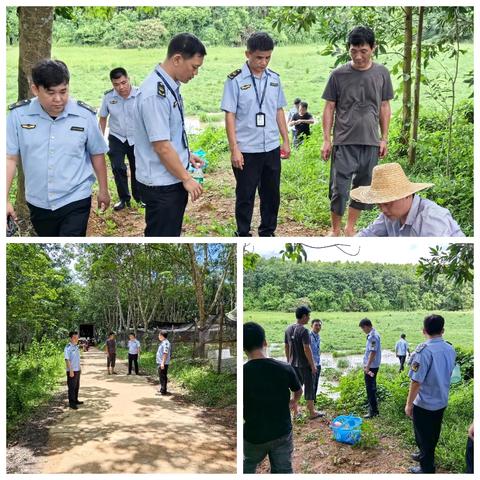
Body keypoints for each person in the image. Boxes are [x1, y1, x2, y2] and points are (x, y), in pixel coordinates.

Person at [7, 59, 110, 236]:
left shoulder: (84, 115)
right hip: (38, 201)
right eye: (51, 93)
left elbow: (97, 153)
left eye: (63, 91)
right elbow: (9, 158)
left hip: (75, 197)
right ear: (35, 89)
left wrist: (103, 190)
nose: (58, 99)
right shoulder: (18, 116)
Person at [321, 26, 394, 236]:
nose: (359, 56)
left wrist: (384, 138)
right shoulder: (338, 75)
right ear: (349, 49)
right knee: (339, 189)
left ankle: (350, 227)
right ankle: (335, 229)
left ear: (373, 48)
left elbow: (384, 106)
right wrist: (327, 139)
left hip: (371, 141)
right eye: (354, 51)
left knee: (363, 188)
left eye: (363, 51)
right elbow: (329, 107)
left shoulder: (381, 73)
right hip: (344, 140)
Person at [134, 33, 206, 236]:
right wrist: (186, 178)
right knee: (162, 236)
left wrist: (185, 155)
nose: (195, 73)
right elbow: (161, 146)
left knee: (170, 232)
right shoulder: (155, 94)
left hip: (169, 177)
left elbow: (170, 134)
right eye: (194, 67)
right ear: (177, 59)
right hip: (162, 184)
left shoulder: (168, 86)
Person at [221, 31, 291, 237]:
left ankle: (267, 231)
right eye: (259, 57)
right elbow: (230, 115)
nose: (264, 62)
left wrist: (285, 140)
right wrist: (234, 149)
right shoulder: (234, 81)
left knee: (271, 195)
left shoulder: (275, 80)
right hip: (247, 149)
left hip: (270, 146)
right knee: (245, 194)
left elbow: (279, 110)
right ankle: (242, 233)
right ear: (248, 54)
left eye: (268, 57)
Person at [244, 322, 302, 474]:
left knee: (248, 465)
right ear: (265, 342)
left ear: (244, 348)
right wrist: (293, 402)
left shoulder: (243, 373)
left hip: (253, 436)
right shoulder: (284, 368)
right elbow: (298, 390)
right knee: (283, 470)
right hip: (281, 432)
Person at [351, 162, 465, 237]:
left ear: (406, 195)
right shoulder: (389, 215)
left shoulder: (430, 219)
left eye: (387, 203)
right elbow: (368, 234)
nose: (383, 210)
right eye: (379, 205)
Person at [405, 314, 456, 473]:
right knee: (433, 432)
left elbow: (416, 381)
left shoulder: (423, 351)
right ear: (443, 330)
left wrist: (408, 405)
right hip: (441, 400)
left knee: (423, 436)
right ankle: (423, 454)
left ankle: (426, 468)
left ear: (424, 330)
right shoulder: (450, 348)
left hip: (425, 403)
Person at [99, 67, 143, 210]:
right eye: (116, 84)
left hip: (136, 137)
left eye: (123, 82)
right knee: (118, 167)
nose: (121, 87)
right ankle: (124, 199)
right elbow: (103, 118)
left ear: (128, 79)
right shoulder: (108, 97)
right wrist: (101, 138)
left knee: (137, 167)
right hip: (116, 137)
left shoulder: (140, 95)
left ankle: (139, 197)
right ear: (112, 84)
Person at [284, 306, 322, 419]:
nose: (309, 318)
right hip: (305, 365)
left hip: (292, 364)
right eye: (308, 316)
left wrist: (288, 360)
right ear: (304, 316)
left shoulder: (288, 329)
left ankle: (295, 412)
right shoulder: (304, 330)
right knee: (309, 387)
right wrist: (313, 365)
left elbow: (286, 346)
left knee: (296, 387)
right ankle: (311, 412)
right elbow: (306, 348)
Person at [359, 318, 381, 418]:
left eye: (363, 329)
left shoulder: (373, 336)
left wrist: (367, 367)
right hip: (371, 365)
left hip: (371, 366)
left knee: (370, 388)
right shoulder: (373, 334)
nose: (363, 331)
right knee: (371, 386)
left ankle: (373, 411)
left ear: (367, 326)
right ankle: (372, 408)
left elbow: (372, 352)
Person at [64, 331, 83, 410]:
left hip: (77, 369)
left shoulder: (76, 347)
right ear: (70, 338)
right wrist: (71, 370)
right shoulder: (68, 347)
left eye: (77, 337)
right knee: (71, 387)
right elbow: (67, 359)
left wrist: (79, 368)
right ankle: (71, 403)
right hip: (71, 370)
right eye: (74, 338)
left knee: (76, 386)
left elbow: (77, 359)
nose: (76, 339)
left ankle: (75, 400)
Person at [309, 319, 322, 405]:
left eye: (319, 325)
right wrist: (311, 364)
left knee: (316, 382)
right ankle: (310, 403)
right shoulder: (309, 336)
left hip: (318, 363)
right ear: (311, 326)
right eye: (316, 325)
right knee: (311, 384)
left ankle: (314, 401)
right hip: (311, 364)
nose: (318, 327)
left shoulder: (318, 336)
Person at [156, 330, 171, 395]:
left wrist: (162, 363)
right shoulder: (163, 342)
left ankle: (163, 391)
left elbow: (165, 353)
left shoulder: (166, 343)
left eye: (159, 335)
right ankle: (162, 389)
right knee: (161, 376)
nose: (158, 336)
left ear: (162, 335)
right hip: (160, 362)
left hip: (163, 363)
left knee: (163, 376)